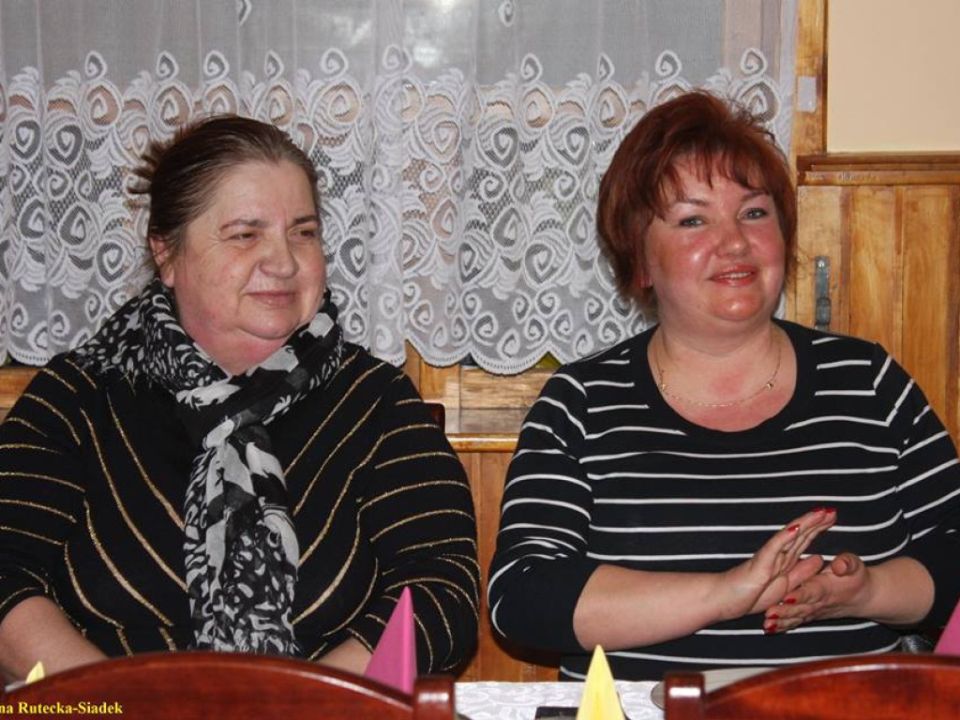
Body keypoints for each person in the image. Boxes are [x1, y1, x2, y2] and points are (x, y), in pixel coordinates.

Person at [487, 92, 960, 680]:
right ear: (640, 261)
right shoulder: (581, 403)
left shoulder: (870, 383)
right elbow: (523, 596)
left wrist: (869, 593)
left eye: (754, 213)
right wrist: (728, 593)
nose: (735, 242)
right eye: (693, 220)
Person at [0, 115, 479, 681]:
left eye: (304, 232)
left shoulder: (377, 403)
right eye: (246, 235)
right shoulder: (77, 399)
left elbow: (441, 589)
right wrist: (120, 706)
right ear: (167, 253)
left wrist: (304, 707)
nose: (284, 261)